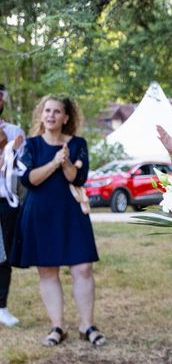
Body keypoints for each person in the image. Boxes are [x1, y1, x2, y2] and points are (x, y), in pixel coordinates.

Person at [11, 95, 106, 347]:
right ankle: (57, 326)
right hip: (40, 214)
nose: (51, 115)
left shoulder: (78, 144)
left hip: (71, 213)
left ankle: (87, 325)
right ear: (41, 115)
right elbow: (29, 179)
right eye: (47, 111)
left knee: (83, 267)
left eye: (57, 111)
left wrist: (65, 164)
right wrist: (54, 162)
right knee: (47, 270)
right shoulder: (30, 146)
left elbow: (78, 178)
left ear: (66, 117)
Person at [0, 84, 26, 327]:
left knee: (4, 254)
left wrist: (12, 150)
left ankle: (2, 307)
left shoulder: (15, 132)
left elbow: (23, 169)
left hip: (6, 201)